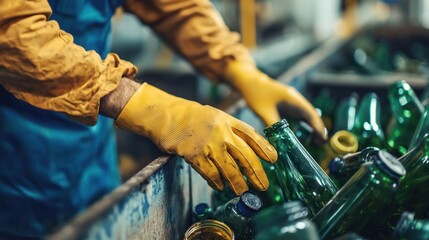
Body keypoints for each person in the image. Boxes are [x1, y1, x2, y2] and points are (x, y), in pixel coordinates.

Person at [0, 0, 326, 238]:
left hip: (88, 152)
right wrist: (156, 109)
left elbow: (174, 5)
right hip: (13, 161)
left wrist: (238, 68)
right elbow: (13, 34)